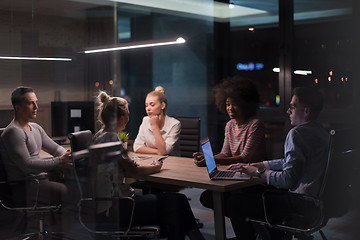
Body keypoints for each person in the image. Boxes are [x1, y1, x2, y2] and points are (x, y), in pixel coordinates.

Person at [92, 91, 205, 240]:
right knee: (178, 202)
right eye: (127, 113)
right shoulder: (113, 139)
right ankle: (196, 237)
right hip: (120, 208)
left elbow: (122, 167)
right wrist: (155, 167)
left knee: (174, 205)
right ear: (120, 118)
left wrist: (125, 163)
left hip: (106, 206)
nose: (129, 117)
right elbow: (135, 171)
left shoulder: (99, 136)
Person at [222, 87, 329, 239]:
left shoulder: (297, 133)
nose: (287, 111)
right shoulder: (321, 132)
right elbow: (289, 162)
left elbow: (287, 180)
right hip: (316, 204)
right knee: (251, 193)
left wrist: (258, 173)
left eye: (292, 106)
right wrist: (261, 165)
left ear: (306, 111)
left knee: (234, 202)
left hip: (299, 205)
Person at [1, 86, 71, 207]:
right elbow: (27, 165)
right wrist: (59, 161)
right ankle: (64, 225)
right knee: (66, 191)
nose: (36, 107)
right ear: (17, 107)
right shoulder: (13, 132)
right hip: (24, 186)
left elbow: (55, 148)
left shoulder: (36, 128)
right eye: (30, 103)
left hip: (38, 181)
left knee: (74, 182)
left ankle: (55, 223)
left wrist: (68, 155)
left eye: (36, 102)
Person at [193, 76, 266, 167]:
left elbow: (244, 158)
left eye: (235, 104)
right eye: (228, 104)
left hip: (254, 174)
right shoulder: (230, 125)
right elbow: (225, 153)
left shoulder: (255, 125)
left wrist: (211, 160)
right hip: (239, 170)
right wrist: (207, 158)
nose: (230, 108)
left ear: (245, 105)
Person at [133, 86, 181, 156]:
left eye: (152, 105)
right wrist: (156, 151)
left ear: (162, 105)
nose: (148, 109)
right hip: (151, 161)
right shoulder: (145, 120)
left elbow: (165, 151)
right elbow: (136, 147)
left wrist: (155, 126)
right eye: (146, 105)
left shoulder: (175, 124)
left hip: (172, 162)